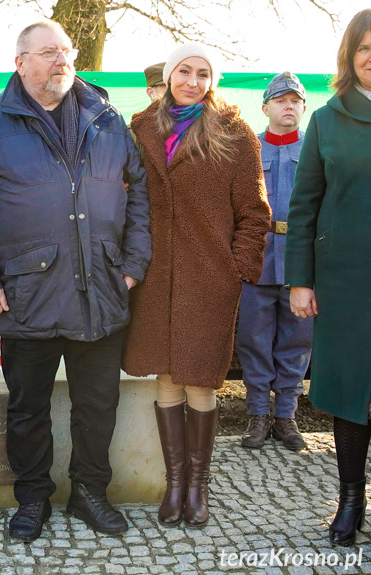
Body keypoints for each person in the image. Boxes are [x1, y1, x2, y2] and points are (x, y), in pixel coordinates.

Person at [0, 21, 151, 543]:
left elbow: (140, 195)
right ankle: (33, 497)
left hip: (100, 290)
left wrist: (133, 263)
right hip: (26, 295)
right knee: (28, 407)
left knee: (98, 405)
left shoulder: (107, 121)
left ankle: (89, 492)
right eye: (48, 53)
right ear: (21, 63)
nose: (61, 61)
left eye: (66, 52)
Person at [123, 43, 270, 529]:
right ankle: (174, 484)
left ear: (213, 81)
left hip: (210, 276)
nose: (192, 80)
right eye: (183, 71)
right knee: (167, 375)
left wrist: (237, 268)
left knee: (201, 380)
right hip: (155, 275)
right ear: (168, 76)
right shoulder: (142, 128)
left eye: (202, 73)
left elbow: (254, 212)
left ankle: (199, 486)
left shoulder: (234, 132)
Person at [285, 8, 371, 547]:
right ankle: (349, 500)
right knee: (347, 393)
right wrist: (301, 279)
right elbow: (304, 205)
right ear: (350, 56)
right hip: (345, 283)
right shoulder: (327, 118)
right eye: (366, 49)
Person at [236, 72, 311, 451]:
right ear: (265, 108)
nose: (288, 107)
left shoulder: (317, 149)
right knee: (254, 339)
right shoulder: (249, 150)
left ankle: (285, 416)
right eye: (281, 101)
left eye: (295, 101)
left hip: (301, 261)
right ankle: (257, 415)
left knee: (297, 341)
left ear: (303, 108)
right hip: (258, 258)